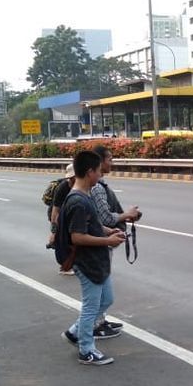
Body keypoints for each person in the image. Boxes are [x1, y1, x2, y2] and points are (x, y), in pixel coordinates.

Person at [61, 151, 126, 365]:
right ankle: (86, 350)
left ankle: (74, 332)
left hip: (97, 262)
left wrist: (109, 232)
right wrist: (108, 241)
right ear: (90, 172)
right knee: (91, 306)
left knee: (106, 299)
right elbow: (77, 236)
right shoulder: (78, 201)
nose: (100, 175)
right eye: (98, 171)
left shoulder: (84, 195)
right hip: (87, 262)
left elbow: (93, 226)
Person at [90, 145, 140, 337]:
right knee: (100, 290)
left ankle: (99, 320)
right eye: (109, 159)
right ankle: (91, 326)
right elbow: (105, 217)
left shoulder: (99, 184)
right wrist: (125, 215)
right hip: (100, 242)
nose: (112, 162)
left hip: (104, 239)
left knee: (103, 288)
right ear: (99, 162)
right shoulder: (97, 187)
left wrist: (125, 216)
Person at [50, 165, 77, 275]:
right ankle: (65, 266)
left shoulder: (84, 186)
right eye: (69, 178)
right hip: (58, 215)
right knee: (63, 241)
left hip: (72, 216)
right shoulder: (63, 188)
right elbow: (55, 210)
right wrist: (53, 232)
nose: (70, 180)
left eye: (72, 178)